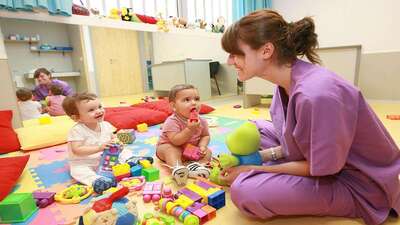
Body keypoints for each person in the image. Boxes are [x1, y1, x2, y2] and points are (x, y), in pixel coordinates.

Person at [219, 9, 400, 225]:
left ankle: (355, 201)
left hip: (355, 182)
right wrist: (264, 157)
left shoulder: (316, 94)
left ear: (266, 51)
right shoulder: (285, 83)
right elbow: (290, 138)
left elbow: (323, 168)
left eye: (235, 53)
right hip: (319, 161)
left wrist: (254, 167)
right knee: (255, 128)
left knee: (245, 191)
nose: (230, 61)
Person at [62, 92, 118, 194]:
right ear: (76, 118)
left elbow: (113, 137)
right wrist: (99, 148)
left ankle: (131, 160)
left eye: (99, 107)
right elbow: (77, 150)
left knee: (124, 152)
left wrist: (117, 143)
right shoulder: (77, 130)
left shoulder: (105, 125)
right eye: (91, 110)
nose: (99, 111)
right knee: (78, 172)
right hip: (84, 162)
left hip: (105, 159)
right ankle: (97, 181)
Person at [156, 84, 212, 185]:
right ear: (174, 106)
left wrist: (202, 146)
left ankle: (196, 168)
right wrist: (190, 129)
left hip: (190, 150)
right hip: (170, 147)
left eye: (197, 99)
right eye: (187, 100)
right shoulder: (172, 121)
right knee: (171, 149)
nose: (194, 103)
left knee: (208, 152)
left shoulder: (202, 120)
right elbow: (175, 141)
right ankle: (177, 168)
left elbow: (205, 135)